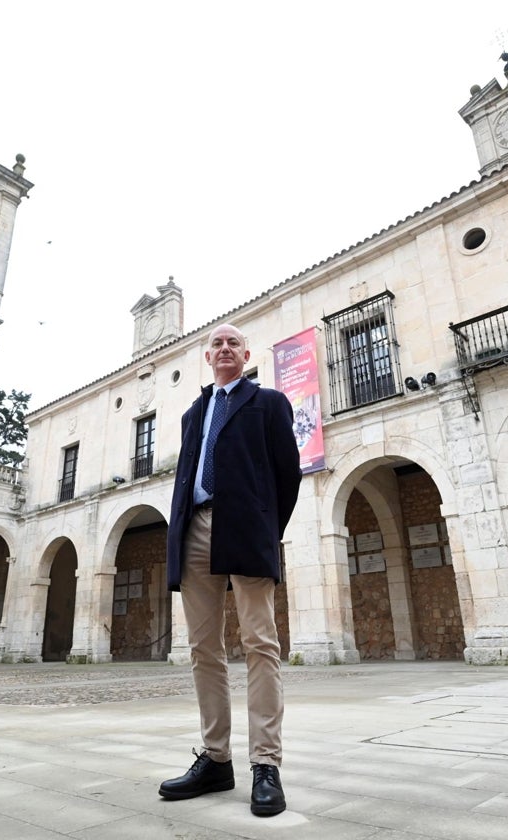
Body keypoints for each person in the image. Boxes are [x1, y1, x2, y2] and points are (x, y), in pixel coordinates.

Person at [159, 323, 301, 817]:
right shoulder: (194, 412)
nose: (224, 348)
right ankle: (216, 759)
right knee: (204, 648)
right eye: (216, 343)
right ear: (207, 356)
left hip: (245, 528)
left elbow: (287, 473)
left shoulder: (269, 403)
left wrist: (266, 526)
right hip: (196, 527)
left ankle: (266, 763)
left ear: (245, 354)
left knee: (261, 642)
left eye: (232, 343)